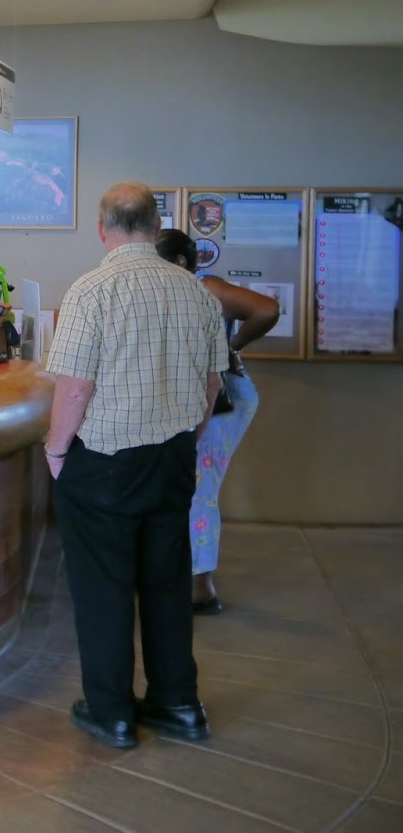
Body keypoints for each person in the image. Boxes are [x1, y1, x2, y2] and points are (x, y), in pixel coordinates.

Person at [44, 182, 228, 751]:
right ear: (154, 224)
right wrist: (182, 439)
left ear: (104, 228)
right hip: (172, 458)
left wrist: (55, 452)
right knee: (167, 581)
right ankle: (178, 704)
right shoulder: (196, 292)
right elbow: (213, 383)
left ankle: (113, 712)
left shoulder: (91, 290)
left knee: (103, 587)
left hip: (104, 463)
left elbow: (75, 387)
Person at [155, 229, 281, 614]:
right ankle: (187, 576)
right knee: (190, 487)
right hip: (203, 401)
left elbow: (267, 309)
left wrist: (231, 348)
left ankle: (200, 589)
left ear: (179, 262)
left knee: (198, 489)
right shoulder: (174, 292)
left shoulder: (204, 286)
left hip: (224, 401)